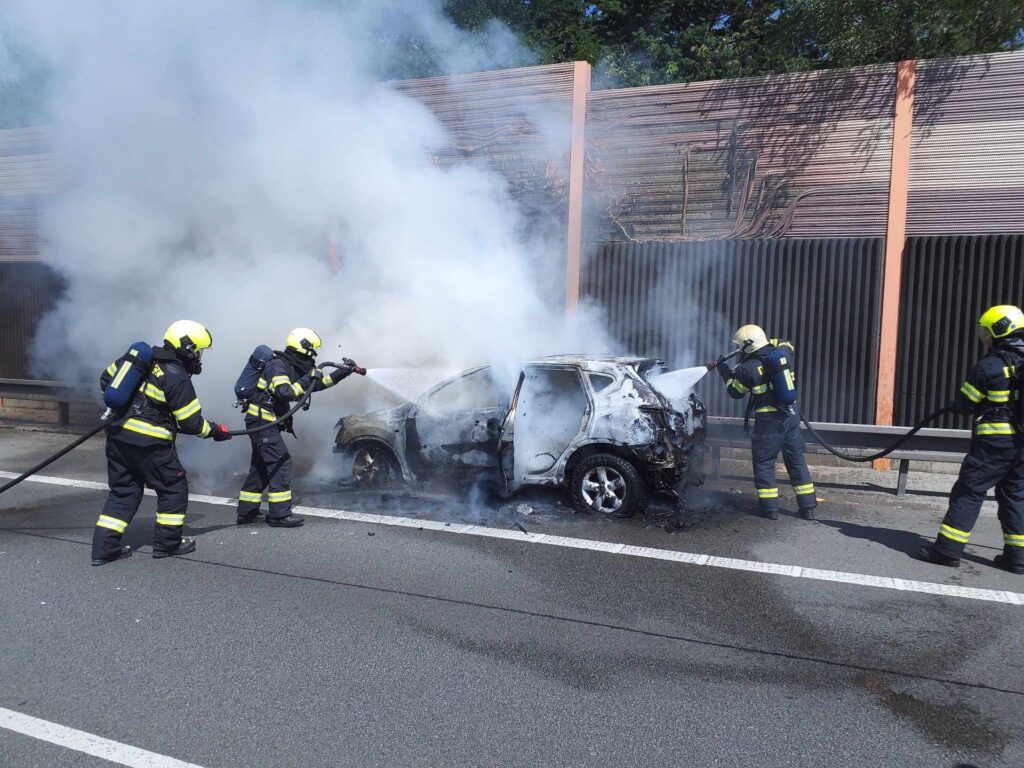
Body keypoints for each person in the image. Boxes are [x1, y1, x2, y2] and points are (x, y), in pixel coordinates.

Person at [92, 320, 232, 566]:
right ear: (188, 348)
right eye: (198, 351)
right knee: (173, 488)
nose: (199, 357)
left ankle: (104, 548)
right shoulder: (176, 376)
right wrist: (215, 431)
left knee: (124, 491)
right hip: (151, 445)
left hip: (118, 438)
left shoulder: (140, 360)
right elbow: (191, 423)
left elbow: (106, 380)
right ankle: (168, 544)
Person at [917, 305, 1024, 573]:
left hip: (994, 444)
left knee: (969, 490)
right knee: (1015, 496)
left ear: (999, 331)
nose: (984, 336)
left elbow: (966, 405)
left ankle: (947, 550)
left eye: (986, 331)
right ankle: (1018, 558)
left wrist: (956, 405)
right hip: (1021, 445)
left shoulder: (989, 366)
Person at [235, 328, 355, 527]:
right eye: (313, 351)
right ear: (304, 348)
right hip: (263, 422)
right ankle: (279, 515)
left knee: (260, 468)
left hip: (265, 422)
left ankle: (247, 513)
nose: (314, 355)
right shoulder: (277, 365)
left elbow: (315, 385)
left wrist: (341, 373)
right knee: (281, 462)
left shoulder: (291, 366)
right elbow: (284, 392)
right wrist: (308, 378)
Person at [711, 324, 817, 520]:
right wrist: (767, 343)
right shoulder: (783, 353)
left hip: (768, 423)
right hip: (791, 417)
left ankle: (769, 509)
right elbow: (786, 342)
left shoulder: (747, 369)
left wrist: (724, 370)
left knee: (764, 463)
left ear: (747, 345)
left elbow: (735, 392)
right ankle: (808, 507)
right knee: (796, 461)